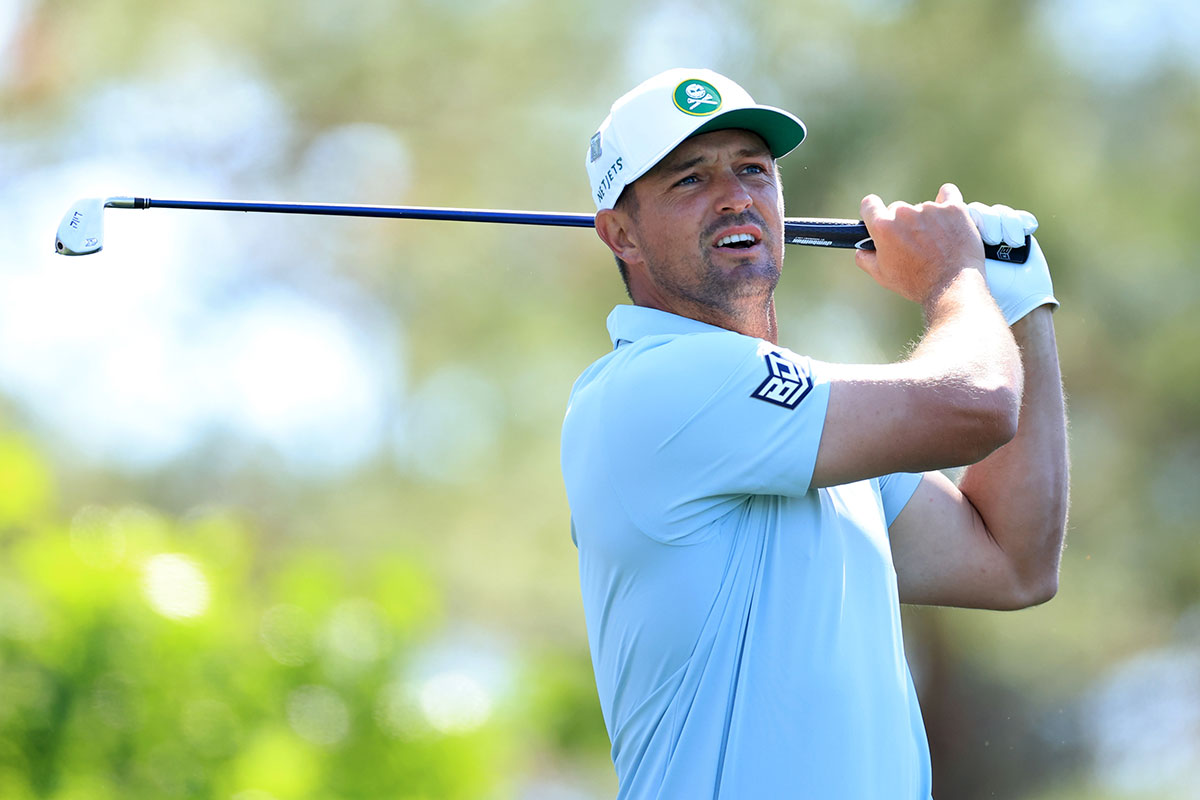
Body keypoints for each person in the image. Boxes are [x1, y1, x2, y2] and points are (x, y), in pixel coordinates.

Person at [559, 68, 1069, 799]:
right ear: (621, 235)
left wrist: (1021, 305)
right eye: (689, 180)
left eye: (753, 170)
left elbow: (1012, 561)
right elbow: (980, 402)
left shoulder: (808, 420)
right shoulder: (652, 386)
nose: (736, 195)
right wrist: (956, 280)